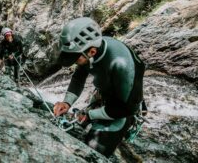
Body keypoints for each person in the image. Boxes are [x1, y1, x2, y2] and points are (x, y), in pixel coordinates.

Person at [53, 17, 145, 157]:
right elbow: (78, 77)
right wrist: (67, 102)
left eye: (75, 58)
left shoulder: (121, 65)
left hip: (123, 109)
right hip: (104, 96)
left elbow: (127, 108)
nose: (74, 63)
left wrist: (89, 115)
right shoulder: (87, 51)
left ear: (92, 52)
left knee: (92, 151)